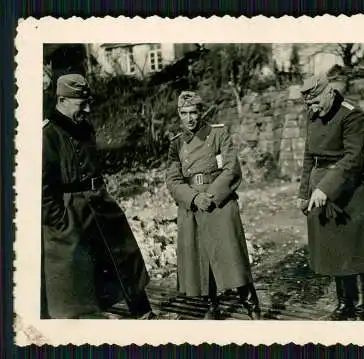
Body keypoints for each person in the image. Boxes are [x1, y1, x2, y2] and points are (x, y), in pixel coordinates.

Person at [41, 74, 156, 319]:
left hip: (99, 202)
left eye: (88, 102)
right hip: (70, 212)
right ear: (62, 99)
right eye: (81, 104)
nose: (88, 109)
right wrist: (59, 221)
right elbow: (42, 188)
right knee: (76, 274)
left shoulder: (84, 127)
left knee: (123, 255)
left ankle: (144, 312)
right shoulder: (47, 135)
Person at [297, 75, 364, 320]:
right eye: (308, 105)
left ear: (330, 92)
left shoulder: (352, 115)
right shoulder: (313, 113)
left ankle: (362, 311)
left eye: (315, 102)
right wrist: (304, 192)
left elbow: (352, 160)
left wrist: (325, 188)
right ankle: (344, 306)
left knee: (356, 249)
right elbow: (309, 156)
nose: (312, 109)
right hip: (319, 187)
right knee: (334, 247)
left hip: (349, 187)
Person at [166, 91, 261, 320]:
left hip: (219, 201)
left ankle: (252, 306)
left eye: (193, 112)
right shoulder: (177, 143)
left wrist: (210, 195)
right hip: (193, 205)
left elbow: (231, 169)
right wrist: (193, 198)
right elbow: (173, 179)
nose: (189, 118)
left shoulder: (218, 134)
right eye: (184, 113)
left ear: (201, 112)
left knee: (232, 255)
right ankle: (212, 305)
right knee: (202, 257)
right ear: (179, 114)